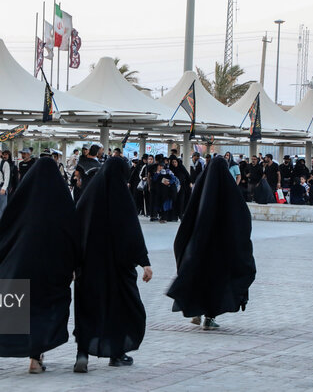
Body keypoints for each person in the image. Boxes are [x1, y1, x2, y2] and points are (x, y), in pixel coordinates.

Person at [0, 157, 79, 374]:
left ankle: (33, 356)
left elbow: (2, 237)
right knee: (44, 310)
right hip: (52, 270)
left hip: (21, 266)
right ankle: (36, 356)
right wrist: (74, 265)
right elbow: (72, 235)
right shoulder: (61, 200)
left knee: (26, 309)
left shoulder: (21, 202)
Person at [73, 157, 152, 373]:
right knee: (122, 308)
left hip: (88, 269)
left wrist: (71, 264)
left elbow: (74, 230)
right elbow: (132, 232)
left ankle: (82, 354)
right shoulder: (121, 196)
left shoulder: (88, 196)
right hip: (117, 270)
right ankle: (117, 353)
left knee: (88, 308)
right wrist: (144, 262)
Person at [167, 156, 256, 330]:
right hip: (221, 250)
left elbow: (189, 219)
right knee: (217, 283)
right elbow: (243, 219)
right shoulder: (229, 190)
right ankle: (210, 317)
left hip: (199, 247)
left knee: (199, 277)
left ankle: (197, 311)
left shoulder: (201, 189)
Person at [169, 155, 191, 219]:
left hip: (182, 187)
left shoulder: (181, 167)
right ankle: (174, 215)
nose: (174, 164)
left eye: (175, 162)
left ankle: (180, 214)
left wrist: (190, 182)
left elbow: (187, 175)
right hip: (174, 187)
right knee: (174, 201)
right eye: (173, 162)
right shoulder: (171, 169)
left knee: (181, 201)